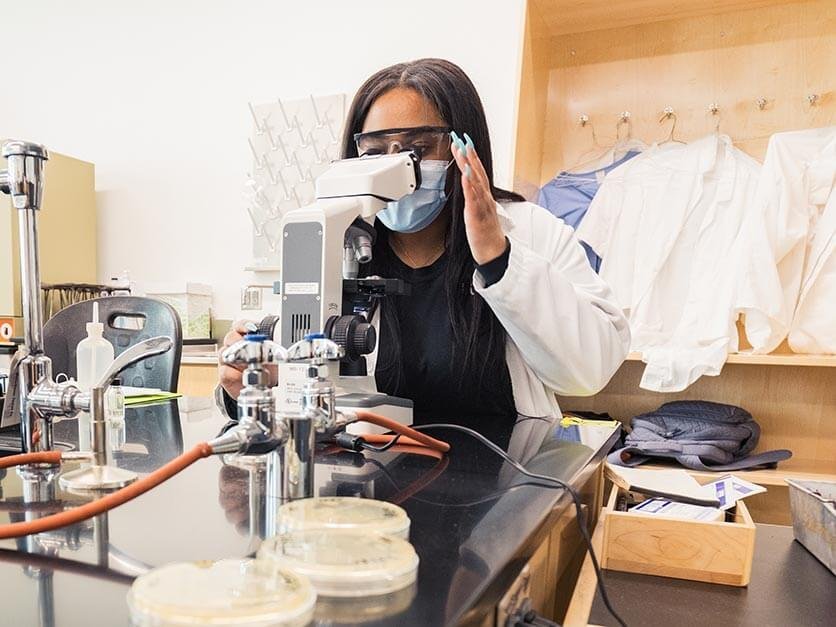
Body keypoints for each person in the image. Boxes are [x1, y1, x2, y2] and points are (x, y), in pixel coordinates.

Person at [219, 58, 630, 442]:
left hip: (502, 477)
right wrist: (246, 385)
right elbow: (291, 387)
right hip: (373, 472)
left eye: (417, 148)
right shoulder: (337, 239)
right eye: (376, 151)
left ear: (461, 147)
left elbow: (589, 373)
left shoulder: (530, 231)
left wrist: (498, 258)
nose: (394, 165)